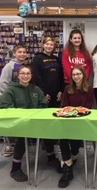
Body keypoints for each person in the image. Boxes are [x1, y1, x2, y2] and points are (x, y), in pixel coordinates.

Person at [0, 64, 47, 182]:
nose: (25, 76)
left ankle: (51, 158)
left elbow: (43, 105)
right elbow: (5, 107)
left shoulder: (36, 89)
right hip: (18, 124)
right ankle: (15, 169)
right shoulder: (11, 90)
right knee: (22, 137)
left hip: (35, 122)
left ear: (31, 75)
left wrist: (35, 114)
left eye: (28, 73)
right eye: (23, 73)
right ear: (18, 75)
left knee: (50, 131)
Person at [58, 65, 94, 188]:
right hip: (68, 120)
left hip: (82, 122)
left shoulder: (89, 89)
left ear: (83, 75)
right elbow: (64, 106)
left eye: (78, 74)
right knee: (61, 138)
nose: (76, 76)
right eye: (74, 75)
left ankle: (72, 157)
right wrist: (72, 111)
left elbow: (87, 108)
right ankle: (68, 169)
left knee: (75, 142)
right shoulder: (67, 89)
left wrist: (75, 110)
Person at [32, 36, 64, 170]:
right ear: (43, 45)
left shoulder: (57, 59)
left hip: (57, 97)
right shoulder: (38, 59)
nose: (50, 46)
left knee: (55, 125)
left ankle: (56, 152)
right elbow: (37, 78)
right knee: (46, 126)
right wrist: (43, 93)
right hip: (45, 97)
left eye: (52, 44)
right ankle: (50, 156)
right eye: (47, 44)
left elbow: (61, 77)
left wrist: (61, 91)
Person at [0, 44, 27, 157]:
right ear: (14, 53)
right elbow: (3, 84)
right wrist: (9, 97)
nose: (22, 54)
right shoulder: (9, 67)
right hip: (11, 100)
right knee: (10, 124)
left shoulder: (26, 66)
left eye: (24, 52)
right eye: (19, 52)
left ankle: (19, 146)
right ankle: (9, 145)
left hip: (23, 100)